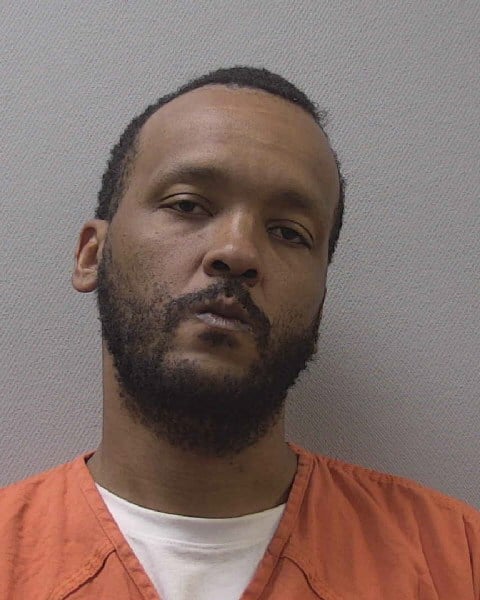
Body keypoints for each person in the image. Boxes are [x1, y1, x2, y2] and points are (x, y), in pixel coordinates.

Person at [0, 66, 478, 600]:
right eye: (187, 205)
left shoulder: (457, 562)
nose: (237, 251)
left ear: (320, 303)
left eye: (288, 232)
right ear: (93, 255)